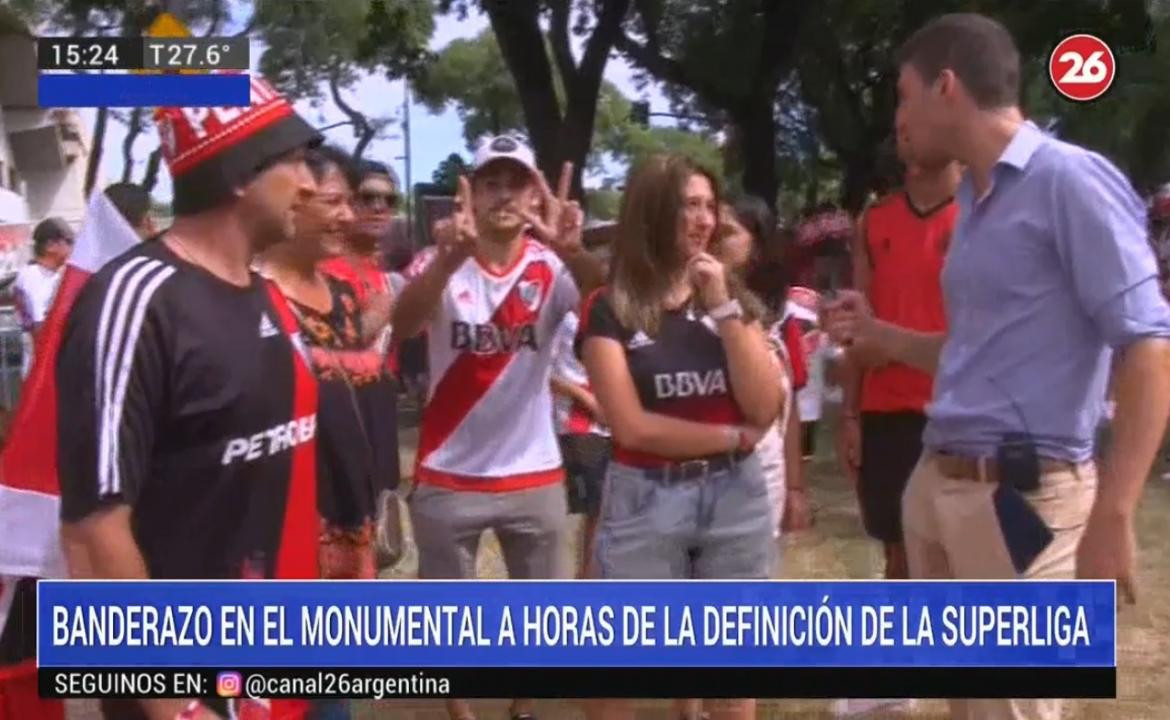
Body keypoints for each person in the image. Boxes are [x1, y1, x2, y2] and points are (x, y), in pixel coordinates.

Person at [824, 13, 1170, 720]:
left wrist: (1115, 512)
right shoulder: (976, 200)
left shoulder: (1070, 182)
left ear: (946, 86)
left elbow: (1148, 348)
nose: (899, 117)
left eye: (903, 95)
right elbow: (975, 351)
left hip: (1023, 498)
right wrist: (881, 335)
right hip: (939, 483)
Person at [56, 75, 321, 720]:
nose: (311, 183)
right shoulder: (136, 299)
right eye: (291, 160)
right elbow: (92, 527)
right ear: (237, 173)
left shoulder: (267, 295)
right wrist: (172, 701)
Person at [391, 135, 604, 720]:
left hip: (533, 477)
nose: (504, 195)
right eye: (491, 183)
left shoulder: (551, 268)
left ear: (536, 193)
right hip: (447, 475)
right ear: (471, 194)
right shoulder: (438, 261)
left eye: (517, 183)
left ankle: (521, 706)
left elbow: (611, 305)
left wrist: (577, 251)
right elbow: (403, 326)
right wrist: (447, 261)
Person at [578, 155, 783, 720]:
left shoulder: (729, 300)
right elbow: (631, 426)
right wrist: (729, 436)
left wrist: (722, 306)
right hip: (646, 495)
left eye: (709, 206)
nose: (703, 220)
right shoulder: (609, 307)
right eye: (688, 205)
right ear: (653, 211)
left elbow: (766, 405)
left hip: (735, 497)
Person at [840, 149, 959, 580]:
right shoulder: (875, 220)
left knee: (968, 555)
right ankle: (904, 646)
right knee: (901, 558)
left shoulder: (984, 213)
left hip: (960, 408)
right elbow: (856, 324)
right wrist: (850, 413)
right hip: (888, 411)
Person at [716, 197, 812, 551]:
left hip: (761, 480)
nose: (713, 237)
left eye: (727, 232)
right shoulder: (684, 305)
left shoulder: (783, 317)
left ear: (757, 244)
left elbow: (791, 409)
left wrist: (795, 488)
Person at [550, 304, 610, 578]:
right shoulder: (564, 320)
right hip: (578, 426)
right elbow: (542, 372)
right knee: (589, 507)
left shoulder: (618, 314)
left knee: (603, 510)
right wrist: (585, 398)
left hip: (615, 426)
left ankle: (590, 578)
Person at [13, 218, 72, 378]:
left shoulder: (48, 275)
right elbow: (41, 328)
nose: (72, 247)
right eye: (68, 241)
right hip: (42, 370)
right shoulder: (34, 276)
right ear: (50, 246)